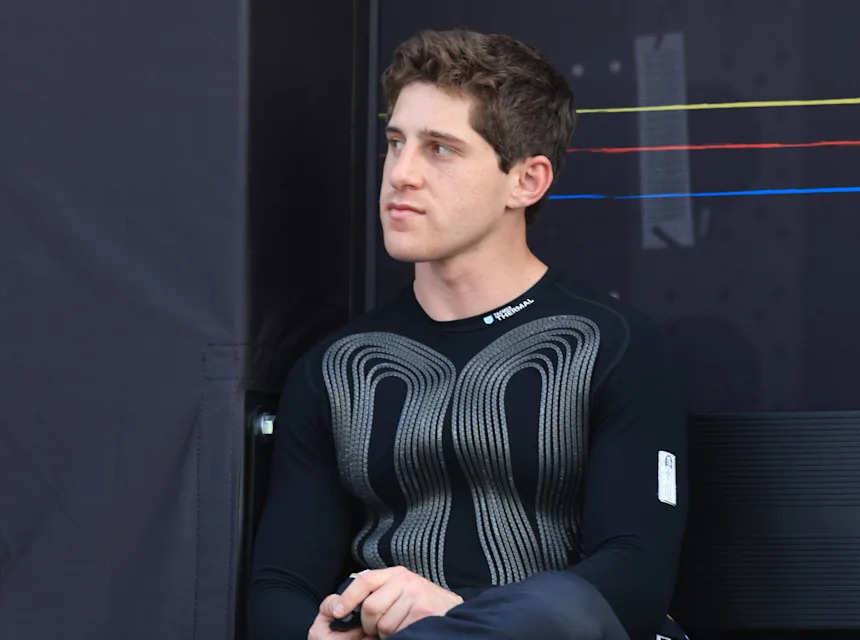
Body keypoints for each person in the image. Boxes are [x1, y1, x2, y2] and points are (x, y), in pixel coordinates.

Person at [248, 28, 688, 640]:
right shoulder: (337, 368)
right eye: (396, 143)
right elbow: (278, 590)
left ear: (526, 181)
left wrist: (452, 611)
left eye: (440, 150)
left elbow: (635, 583)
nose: (401, 174)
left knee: (558, 606)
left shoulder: (611, 346)